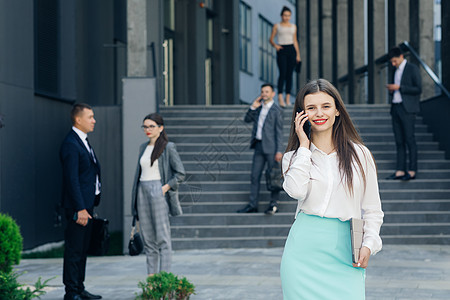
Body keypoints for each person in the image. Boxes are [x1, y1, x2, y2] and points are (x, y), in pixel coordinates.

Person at [280, 79, 384, 299]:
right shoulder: (294, 157)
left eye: (326, 106)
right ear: (302, 114)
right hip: (303, 251)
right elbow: (296, 191)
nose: (319, 113)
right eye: (311, 108)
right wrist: (304, 147)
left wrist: (369, 244)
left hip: (346, 250)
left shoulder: (360, 155)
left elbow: (373, 209)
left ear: (337, 110)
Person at [131, 113, 185, 276]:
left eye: (151, 126)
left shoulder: (168, 147)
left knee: (163, 239)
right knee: (148, 239)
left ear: (160, 128)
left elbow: (180, 173)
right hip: (142, 191)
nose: (148, 130)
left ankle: (164, 281)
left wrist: (165, 188)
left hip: (158, 190)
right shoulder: (143, 147)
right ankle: (151, 282)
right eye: (145, 127)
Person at [60, 103, 102, 300]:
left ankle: (79, 288)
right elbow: (72, 179)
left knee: (83, 249)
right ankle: (71, 293)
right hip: (78, 207)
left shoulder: (83, 141)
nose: (94, 120)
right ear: (78, 119)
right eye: (90, 117)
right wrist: (80, 208)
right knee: (74, 250)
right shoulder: (71, 144)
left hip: (87, 205)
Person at [237, 83, 284, 215]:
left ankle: (273, 205)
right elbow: (247, 119)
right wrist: (253, 106)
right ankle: (253, 204)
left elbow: (279, 131)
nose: (264, 94)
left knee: (273, 176)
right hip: (258, 146)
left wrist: (279, 150)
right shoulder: (258, 108)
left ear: (273, 94)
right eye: (262, 92)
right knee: (254, 176)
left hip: (271, 148)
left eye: (267, 92)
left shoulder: (277, 110)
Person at [385, 46, 422, 181]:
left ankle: (412, 171)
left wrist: (400, 88)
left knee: (409, 139)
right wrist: (392, 90)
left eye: (395, 61)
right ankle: (400, 170)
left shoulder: (412, 69)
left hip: (408, 109)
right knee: (399, 140)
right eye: (392, 62)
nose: (393, 64)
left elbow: (418, 89)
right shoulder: (394, 70)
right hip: (396, 107)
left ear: (401, 56)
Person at [270, 6, 301, 107]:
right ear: (281, 16)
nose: (286, 17)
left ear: (290, 16)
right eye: (285, 15)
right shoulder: (277, 26)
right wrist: (276, 46)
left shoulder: (293, 26)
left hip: (291, 49)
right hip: (282, 49)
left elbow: (295, 40)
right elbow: (271, 39)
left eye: (288, 15)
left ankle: (287, 99)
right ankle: (280, 97)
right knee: (282, 73)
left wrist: (298, 55)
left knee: (289, 75)